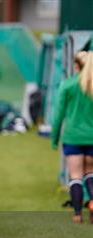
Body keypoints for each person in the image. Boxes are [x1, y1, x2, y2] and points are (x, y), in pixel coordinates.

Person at [51, 51, 93, 224]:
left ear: (76, 66)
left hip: (73, 137)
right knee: (90, 173)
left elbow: (58, 115)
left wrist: (54, 138)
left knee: (75, 175)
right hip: (91, 137)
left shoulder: (67, 85)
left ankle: (77, 214)